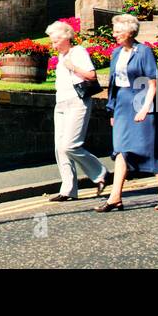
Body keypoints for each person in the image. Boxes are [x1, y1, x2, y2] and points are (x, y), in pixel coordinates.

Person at [97, 13, 158, 211]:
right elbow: (113, 84)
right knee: (121, 149)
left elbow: (153, 83)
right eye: (114, 31)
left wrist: (146, 108)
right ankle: (115, 197)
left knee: (150, 147)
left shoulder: (144, 51)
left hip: (141, 102)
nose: (114, 35)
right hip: (122, 104)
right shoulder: (116, 53)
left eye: (118, 31)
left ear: (130, 32)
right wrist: (112, 110)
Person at [47, 19, 109, 202]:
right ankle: (68, 190)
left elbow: (92, 75)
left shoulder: (78, 52)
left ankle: (100, 173)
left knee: (70, 145)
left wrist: (73, 67)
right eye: (52, 41)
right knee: (60, 148)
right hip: (61, 104)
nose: (53, 45)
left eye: (55, 41)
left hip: (77, 102)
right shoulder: (60, 57)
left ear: (66, 38)